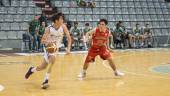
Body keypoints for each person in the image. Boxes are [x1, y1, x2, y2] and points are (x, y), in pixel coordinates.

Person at [25, 12, 72, 89]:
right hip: (48, 48)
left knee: (42, 67)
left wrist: (69, 48)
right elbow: (42, 41)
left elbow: (69, 38)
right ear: (56, 20)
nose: (62, 20)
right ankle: (45, 81)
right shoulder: (48, 29)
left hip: (56, 48)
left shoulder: (63, 27)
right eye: (61, 19)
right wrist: (49, 43)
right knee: (52, 61)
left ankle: (32, 70)